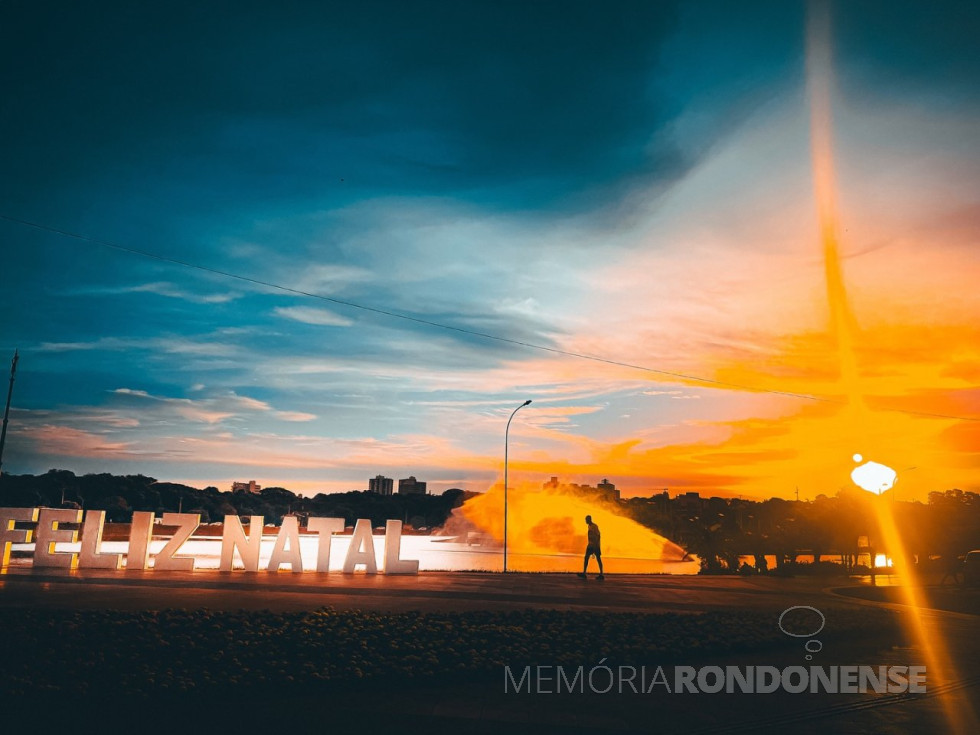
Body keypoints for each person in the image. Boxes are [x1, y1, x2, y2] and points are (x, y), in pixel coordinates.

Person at [577, 515, 604, 580]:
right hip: (590, 545)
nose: (585, 521)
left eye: (586, 520)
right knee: (586, 557)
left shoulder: (594, 526)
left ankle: (601, 574)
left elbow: (598, 535)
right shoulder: (589, 526)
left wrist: (596, 545)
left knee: (598, 559)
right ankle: (584, 573)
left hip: (595, 545)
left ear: (589, 519)